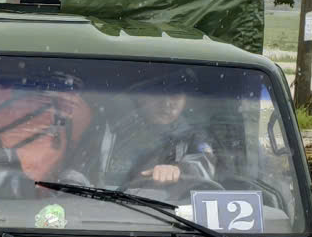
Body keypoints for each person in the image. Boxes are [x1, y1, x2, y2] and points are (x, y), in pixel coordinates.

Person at [89, 79, 218, 192]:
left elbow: (205, 165)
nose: (167, 103)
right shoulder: (109, 129)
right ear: (140, 97)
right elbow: (76, 172)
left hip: (169, 212)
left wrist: (179, 171)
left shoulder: (193, 136)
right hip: (103, 209)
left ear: (184, 101)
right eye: (158, 94)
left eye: (175, 96)